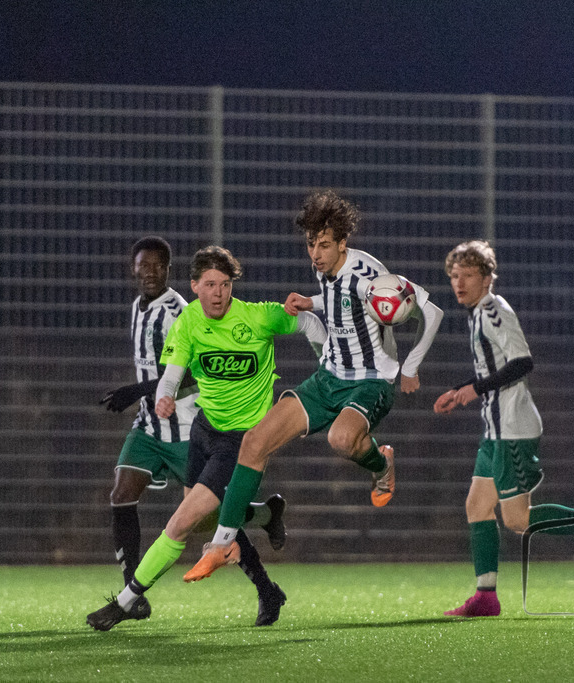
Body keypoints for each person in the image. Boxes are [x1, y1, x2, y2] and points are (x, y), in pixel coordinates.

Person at [184, 189, 443, 582]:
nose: (316, 253)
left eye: (324, 245)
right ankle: (222, 545)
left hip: (370, 381)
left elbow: (431, 310)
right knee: (254, 442)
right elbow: (340, 300)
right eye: (311, 245)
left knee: (341, 440)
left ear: (343, 242)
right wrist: (311, 302)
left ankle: (381, 462)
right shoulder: (326, 270)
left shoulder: (368, 273)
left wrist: (411, 366)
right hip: (328, 378)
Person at [86, 245, 327, 630]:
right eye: (210, 284)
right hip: (201, 432)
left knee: (182, 522)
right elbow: (173, 370)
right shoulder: (189, 321)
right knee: (200, 519)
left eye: (226, 284)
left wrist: (326, 370)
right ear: (196, 285)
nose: (218, 292)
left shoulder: (258, 317)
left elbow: (310, 324)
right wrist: (163, 395)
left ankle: (126, 601)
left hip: (236, 443)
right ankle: (266, 526)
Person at [433, 239, 574, 617]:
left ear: (488, 278)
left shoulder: (494, 310)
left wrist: (473, 389)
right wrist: (461, 389)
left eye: (467, 275)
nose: (459, 283)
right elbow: (495, 370)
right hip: (494, 431)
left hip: (513, 429)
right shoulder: (478, 313)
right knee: (478, 507)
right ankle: (486, 597)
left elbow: (522, 362)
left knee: (517, 520)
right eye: (454, 276)